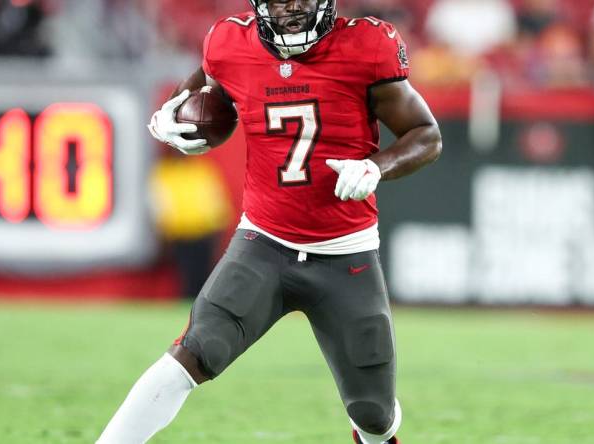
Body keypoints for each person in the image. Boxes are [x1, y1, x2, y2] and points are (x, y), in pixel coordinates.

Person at [97, 0, 442, 443]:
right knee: (192, 355)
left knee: (373, 414)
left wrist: (377, 167)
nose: (291, 10)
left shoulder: (365, 46)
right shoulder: (228, 43)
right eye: (280, 0)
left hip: (345, 254)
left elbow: (426, 134)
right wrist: (170, 119)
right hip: (263, 244)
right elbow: (197, 96)